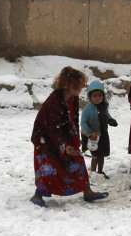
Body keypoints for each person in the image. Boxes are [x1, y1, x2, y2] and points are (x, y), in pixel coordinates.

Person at [30, 66, 108, 207]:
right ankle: (38, 195)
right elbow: (53, 129)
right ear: (68, 84)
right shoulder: (54, 102)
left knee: (77, 160)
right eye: (77, 84)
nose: (80, 87)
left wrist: (75, 136)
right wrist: (64, 146)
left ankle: (87, 191)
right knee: (49, 167)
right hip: (46, 139)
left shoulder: (73, 98)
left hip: (64, 134)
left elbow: (73, 118)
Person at [80, 80, 118, 178]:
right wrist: (89, 134)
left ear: (103, 96)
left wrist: (110, 120)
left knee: (102, 154)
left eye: (99, 95)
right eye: (95, 96)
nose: (97, 98)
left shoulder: (103, 106)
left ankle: (100, 171)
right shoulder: (88, 108)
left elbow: (106, 115)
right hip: (92, 136)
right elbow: (83, 123)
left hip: (103, 134)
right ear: (90, 96)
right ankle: (93, 173)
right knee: (95, 155)